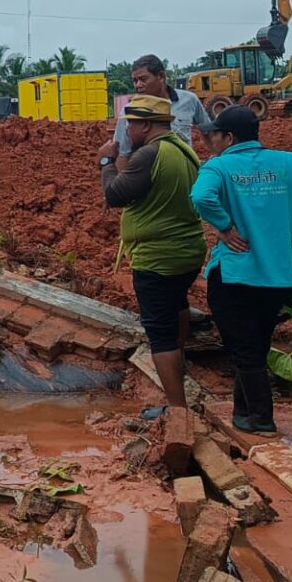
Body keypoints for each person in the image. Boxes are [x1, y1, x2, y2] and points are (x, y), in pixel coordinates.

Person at [191, 103, 292, 434]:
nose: (209, 140)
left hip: (234, 275)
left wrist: (225, 227)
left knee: (245, 350)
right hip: (275, 276)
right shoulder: (286, 162)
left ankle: (262, 420)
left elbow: (200, 197)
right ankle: (243, 414)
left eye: (213, 134)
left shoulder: (218, 167)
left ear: (228, 137)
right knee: (255, 344)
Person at [98, 95, 207, 409]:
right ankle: (180, 363)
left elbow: (115, 194)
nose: (127, 130)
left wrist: (106, 162)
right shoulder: (182, 149)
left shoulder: (149, 154)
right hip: (187, 250)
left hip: (158, 256)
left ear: (145, 125)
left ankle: (176, 410)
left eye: (130, 123)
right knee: (177, 306)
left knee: (159, 333)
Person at [114, 55, 210, 170]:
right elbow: (122, 154)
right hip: (150, 178)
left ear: (161, 76)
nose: (138, 85)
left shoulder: (189, 100)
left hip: (184, 173)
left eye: (143, 79)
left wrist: (217, 158)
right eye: (135, 81)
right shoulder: (129, 112)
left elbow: (208, 130)